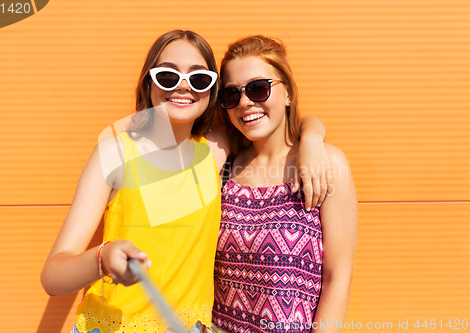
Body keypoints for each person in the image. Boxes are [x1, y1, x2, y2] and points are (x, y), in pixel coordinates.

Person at [40, 30, 330, 333]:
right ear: (148, 83)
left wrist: (311, 137)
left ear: (211, 92)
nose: (182, 86)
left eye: (198, 79)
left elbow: (280, 119)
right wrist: (102, 258)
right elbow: (52, 276)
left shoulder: (217, 150)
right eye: (167, 76)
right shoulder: (115, 152)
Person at [211, 35, 358, 333]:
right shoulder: (223, 166)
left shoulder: (326, 163)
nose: (245, 102)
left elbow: (337, 279)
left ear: (288, 93)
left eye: (259, 88)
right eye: (231, 95)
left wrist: (313, 136)